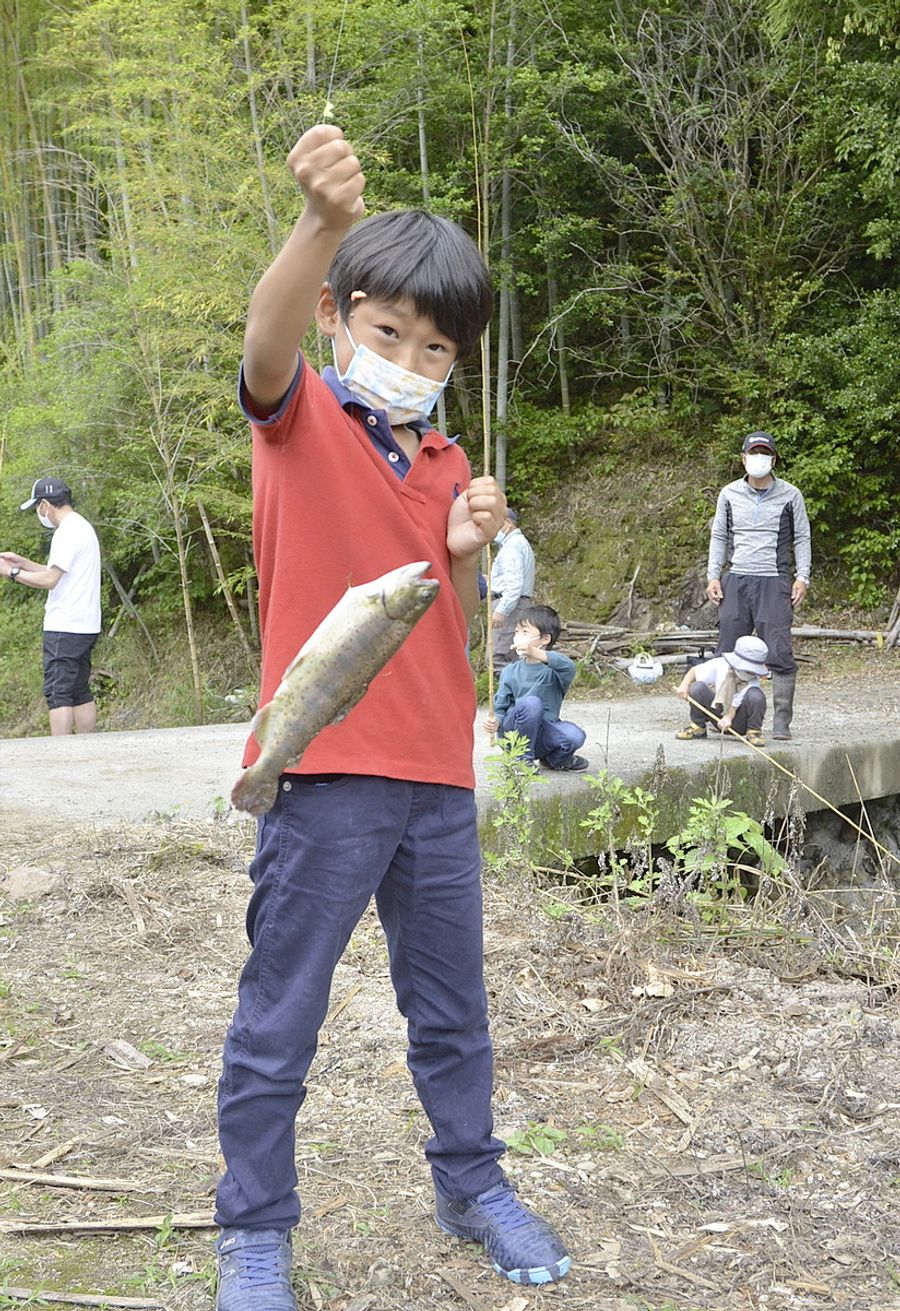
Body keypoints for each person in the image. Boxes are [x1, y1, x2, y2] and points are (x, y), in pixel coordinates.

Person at [214, 124, 570, 1310]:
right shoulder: (300, 419)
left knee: (452, 1012)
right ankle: (254, 1228)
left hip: (435, 778)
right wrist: (319, 219)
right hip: (319, 776)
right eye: (386, 333)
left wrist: (466, 551)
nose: (409, 361)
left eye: (434, 349)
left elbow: (451, 634)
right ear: (338, 316)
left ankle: (469, 1181)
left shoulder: (449, 460)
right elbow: (259, 347)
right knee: (282, 1019)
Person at [705, 431, 811, 739]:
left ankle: (781, 723)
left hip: (774, 581)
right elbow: (719, 536)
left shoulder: (791, 495)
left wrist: (802, 577)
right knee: (727, 650)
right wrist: (714, 575)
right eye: (754, 453)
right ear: (743, 458)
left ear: (774, 459)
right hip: (736, 579)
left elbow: (802, 537)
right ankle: (723, 716)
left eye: (765, 453)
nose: (759, 458)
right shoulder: (729, 494)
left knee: (779, 650)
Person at [1, 477, 101, 736]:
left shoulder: (65, 533)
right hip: (86, 624)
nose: (39, 513)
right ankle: (89, 748)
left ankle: (61, 754)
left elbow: (49, 580)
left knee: (58, 693)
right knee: (79, 690)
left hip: (64, 625)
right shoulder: (82, 527)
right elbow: (58, 572)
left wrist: (10, 572)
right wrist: (22, 562)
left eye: (37, 507)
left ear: (46, 504)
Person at [484, 605, 588, 771]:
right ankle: (521, 760)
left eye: (525, 632)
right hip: (515, 733)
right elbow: (500, 708)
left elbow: (568, 666)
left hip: (544, 732)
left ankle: (554, 760)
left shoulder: (555, 671)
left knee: (575, 736)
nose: (518, 636)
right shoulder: (510, 671)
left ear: (545, 639)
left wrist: (534, 652)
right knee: (531, 703)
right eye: (517, 632)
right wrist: (495, 721)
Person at [674, 635, 769, 744]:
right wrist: (684, 686)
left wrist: (728, 718)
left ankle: (754, 731)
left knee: (756, 696)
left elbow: (735, 704)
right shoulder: (721, 664)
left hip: (740, 721)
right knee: (697, 688)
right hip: (718, 715)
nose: (752, 673)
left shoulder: (752, 681)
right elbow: (695, 671)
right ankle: (698, 727)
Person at [490, 508, 535, 670]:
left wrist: (502, 610)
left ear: (507, 523)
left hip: (510, 606)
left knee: (500, 657)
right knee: (514, 656)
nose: (493, 529)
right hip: (517, 604)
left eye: (495, 524)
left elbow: (514, 584)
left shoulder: (513, 547)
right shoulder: (517, 544)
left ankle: (506, 694)